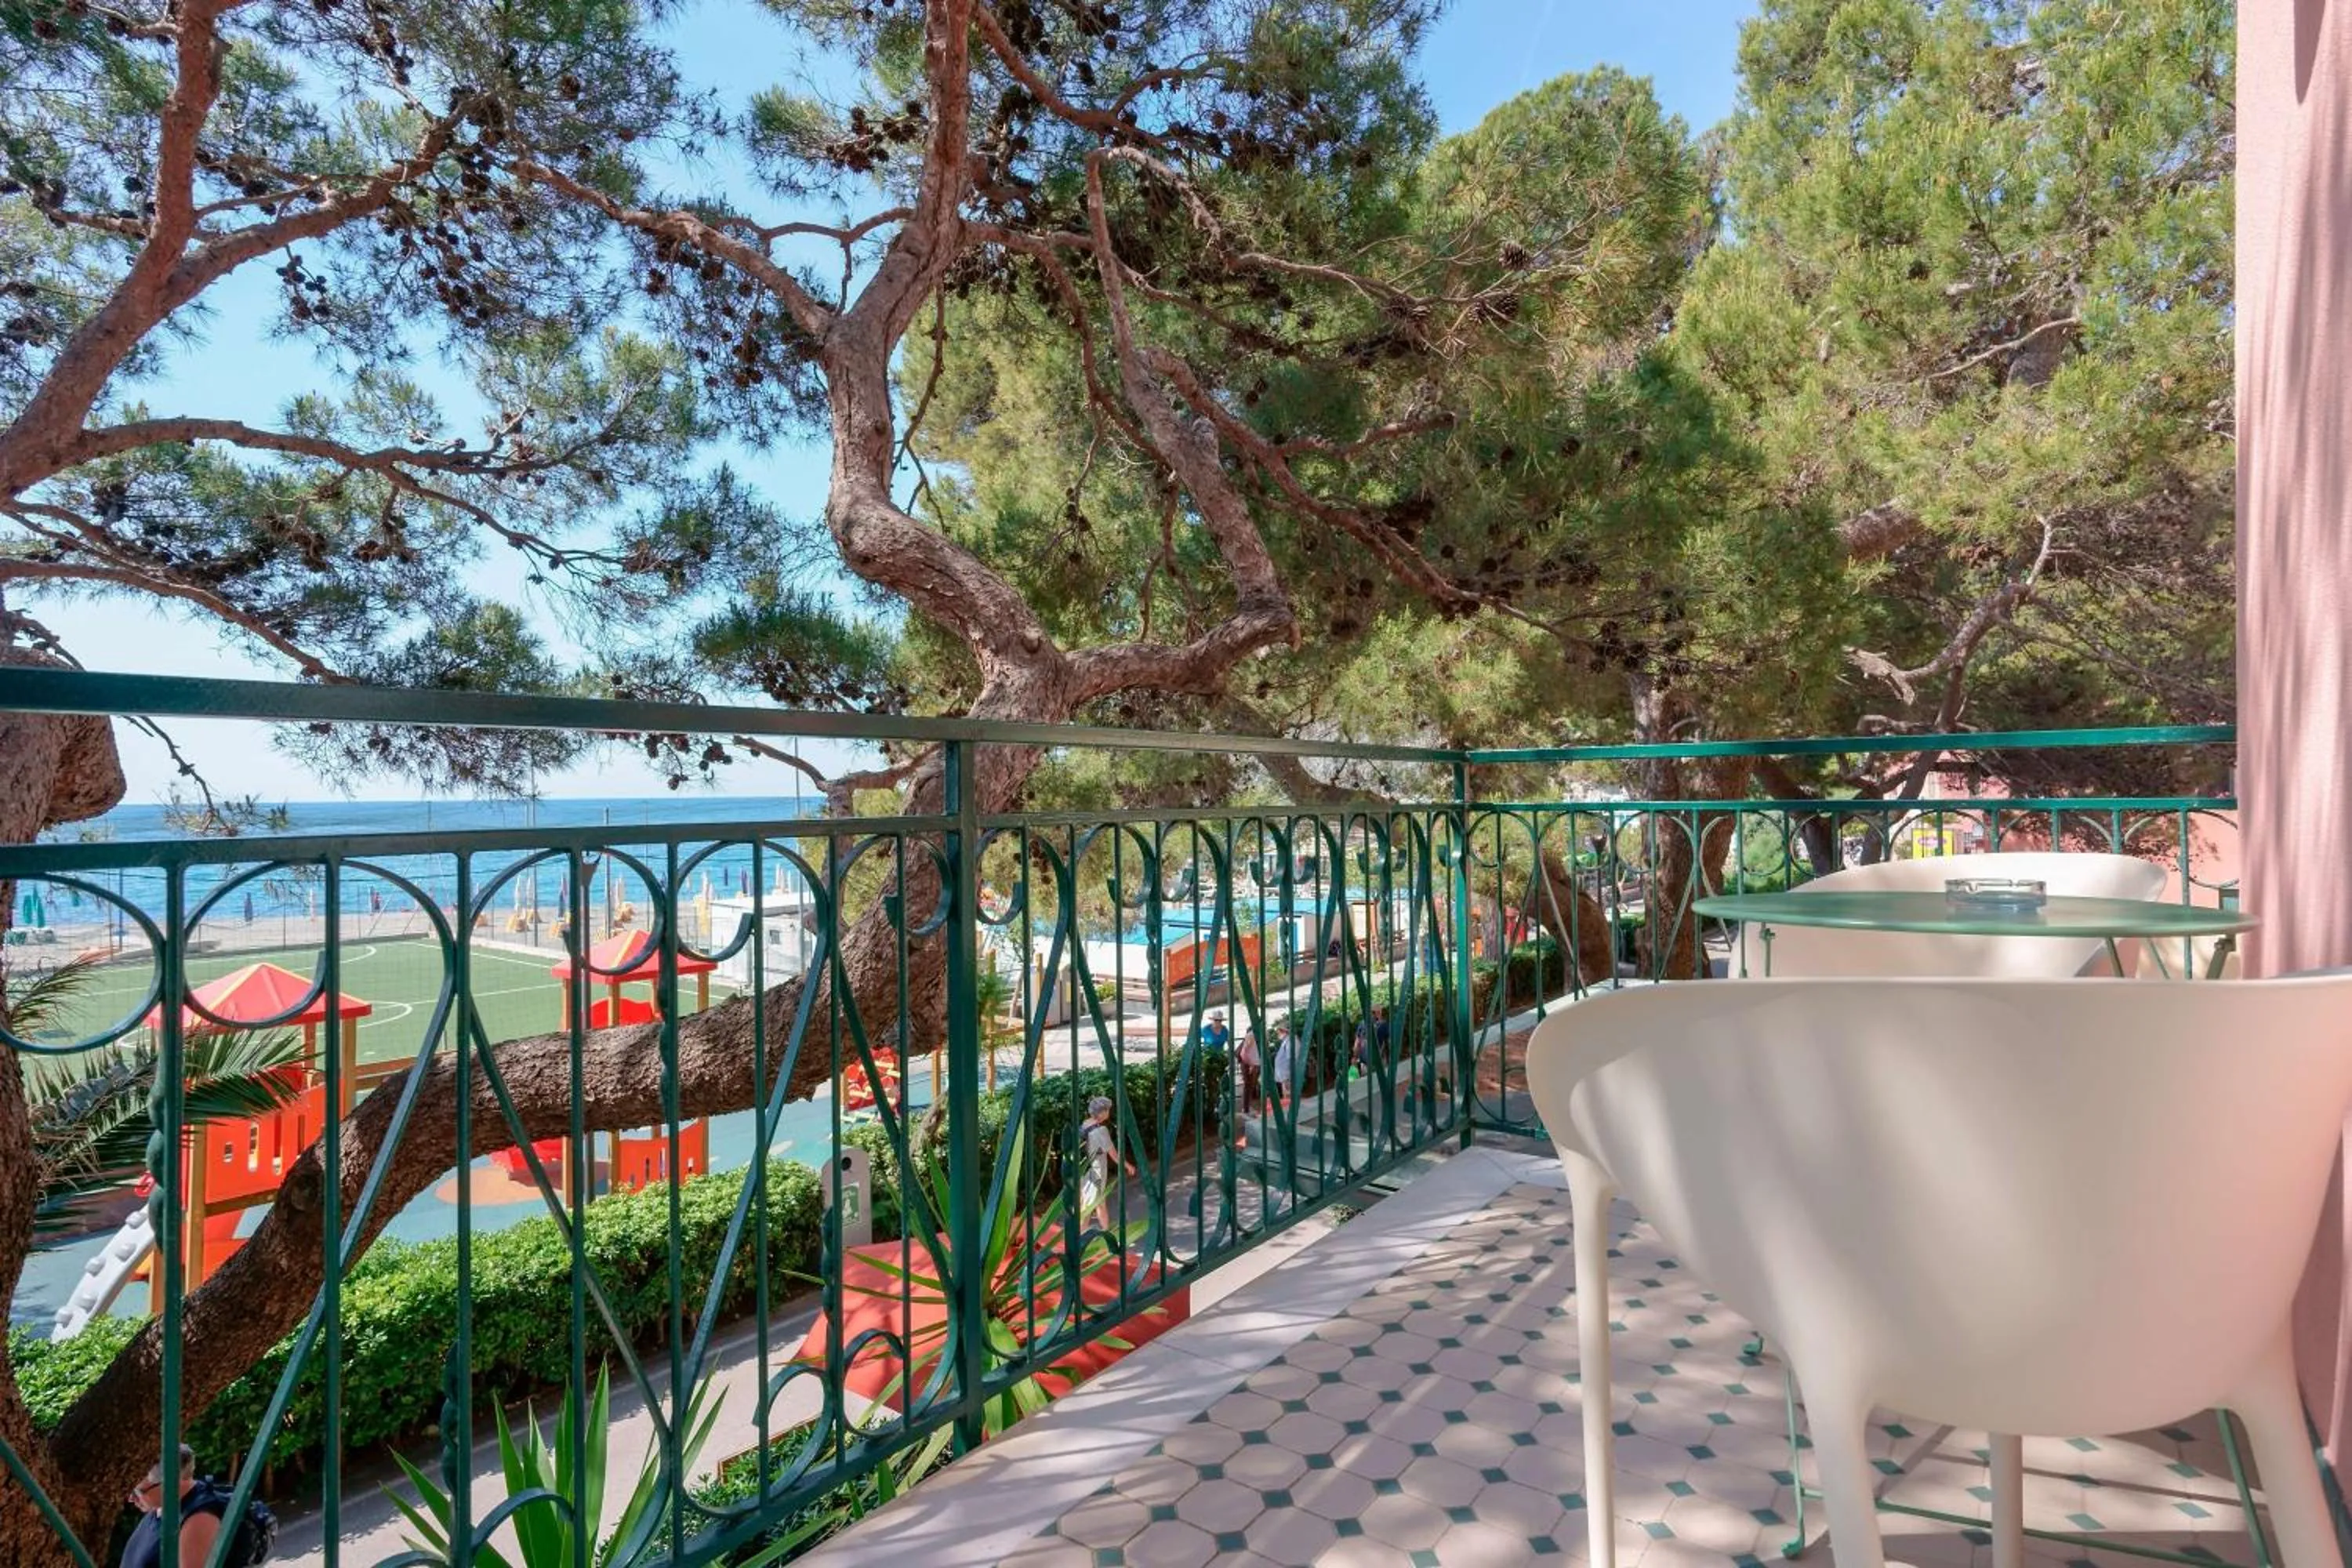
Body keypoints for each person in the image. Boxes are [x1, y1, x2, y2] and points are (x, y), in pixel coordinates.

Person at [120, 1446, 223, 1568]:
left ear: (171, 1481)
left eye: (138, 1492)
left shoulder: (200, 1518)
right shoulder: (159, 1509)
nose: (131, 1499)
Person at [1078, 1095, 1136, 1236]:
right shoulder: (1101, 1131)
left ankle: (1105, 1232)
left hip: (1083, 1169)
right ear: (1102, 1112)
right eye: (1108, 1110)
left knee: (1094, 1202)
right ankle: (1081, 1237)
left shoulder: (1085, 1125)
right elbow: (1114, 1156)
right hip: (1097, 1170)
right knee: (1091, 1204)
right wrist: (1128, 1166)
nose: (1109, 1113)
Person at [1236, 1024, 1262, 1114]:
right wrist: (1250, 1064)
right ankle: (1246, 1108)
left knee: (1251, 1085)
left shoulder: (1259, 1034)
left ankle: (1247, 1107)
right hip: (1249, 1064)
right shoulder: (1252, 1035)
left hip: (1253, 1064)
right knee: (1248, 1085)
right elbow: (1244, 1053)